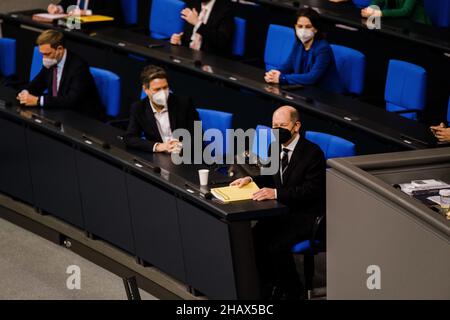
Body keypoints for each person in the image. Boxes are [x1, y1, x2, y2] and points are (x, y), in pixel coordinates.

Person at [230, 106, 326, 299]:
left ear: (296, 126)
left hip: (306, 214)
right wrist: (251, 180)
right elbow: (270, 176)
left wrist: (275, 193)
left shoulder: (312, 153)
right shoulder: (274, 147)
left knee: (276, 246)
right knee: (253, 237)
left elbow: (310, 192)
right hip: (282, 210)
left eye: (282, 125)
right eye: (274, 126)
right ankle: (270, 285)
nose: (277, 130)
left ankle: (293, 291)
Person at [17, 30, 104, 120]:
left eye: (47, 54)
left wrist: (38, 101)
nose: (44, 58)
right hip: (57, 111)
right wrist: (25, 93)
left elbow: (71, 100)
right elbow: (38, 83)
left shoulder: (79, 67)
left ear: (60, 49)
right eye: (42, 54)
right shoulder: (51, 61)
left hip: (81, 116)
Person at [264, 8, 345, 94]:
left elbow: (312, 78)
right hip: (305, 90)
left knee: (285, 107)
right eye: (300, 26)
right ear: (295, 27)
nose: (303, 30)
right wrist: (274, 74)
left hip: (326, 95)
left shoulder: (323, 49)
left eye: (308, 27)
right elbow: (287, 65)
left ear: (316, 29)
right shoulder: (298, 43)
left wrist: (282, 78)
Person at [124, 65, 199, 153]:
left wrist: (181, 146)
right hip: (159, 156)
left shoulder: (184, 103)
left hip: (184, 156)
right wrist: (158, 146)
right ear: (146, 89)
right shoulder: (138, 108)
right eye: (157, 89)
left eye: (165, 87)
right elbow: (130, 138)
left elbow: (198, 136)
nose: (163, 93)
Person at [170, 0, 235, 56]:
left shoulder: (226, 9)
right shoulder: (194, 3)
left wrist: (197, 23)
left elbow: (221, 41)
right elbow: (189, 35)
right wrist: (180, 40)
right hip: (188, 55)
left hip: (210, 59)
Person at [47, 0, 124, 24]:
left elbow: (112, 12)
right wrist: (57, 8)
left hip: (99, 29)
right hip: (74, 27)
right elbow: (65, 3)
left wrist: (86, 12)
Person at [361, 0, 431, 24]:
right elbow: (377, 1)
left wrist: (380, 13)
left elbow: (406, 11)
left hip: (417, 26)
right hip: (397, 22)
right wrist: (370, 9)